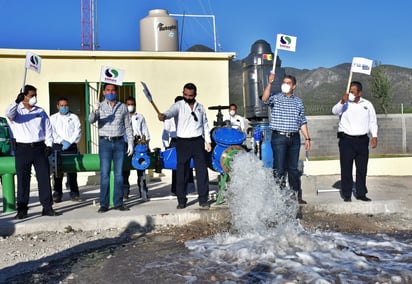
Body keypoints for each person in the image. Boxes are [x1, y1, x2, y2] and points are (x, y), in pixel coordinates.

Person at [5, 84, 61, 219]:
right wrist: (16, 101)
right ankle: (22, 209)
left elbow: (48, 130)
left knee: (43, 178)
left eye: (35, 95)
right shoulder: (17, 111)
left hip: (39, 148)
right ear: (24, 96)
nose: (34, 98)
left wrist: (49, 145)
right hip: (22, 149)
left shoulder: (40, 111)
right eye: (31, 96)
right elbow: (8, 113)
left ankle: (47, 207)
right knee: (23, 180)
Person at [158, 83, 212, 209]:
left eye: (190, 95)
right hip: (182, 142)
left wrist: (207, 141)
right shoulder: (178, 106)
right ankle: (181, 200)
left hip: (198, 141)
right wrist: (164, 116)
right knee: (181, 171)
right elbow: (170, 112)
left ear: (195, 94)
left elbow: (205, 125)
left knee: (202, 171)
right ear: (183, 93)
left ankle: (203, 199)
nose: (187, 97)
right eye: (185, 95)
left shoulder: (200, 107)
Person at [262, 74, 311, 204]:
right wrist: (270, 83)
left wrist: (307, 138)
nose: (285, 84)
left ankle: (296, 195)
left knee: (293, 169)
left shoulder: (298, 102)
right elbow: (265, 98)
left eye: (288, 83)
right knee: (279, 168)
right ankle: (279, 197)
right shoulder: (276, 98)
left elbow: (302, 121)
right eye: (284, 82)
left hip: (294, 138)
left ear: (294, 86)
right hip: (279, 138)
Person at [89, 83, 134, 213]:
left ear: (116, 92)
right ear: (103, 92)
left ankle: (118, 202)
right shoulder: (100, 106)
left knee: (119, 174)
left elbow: (127, 126)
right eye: (108, 90)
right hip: (105, 142)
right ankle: (104, 204)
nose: (110, 92)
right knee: (105, 174)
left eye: (113, 90)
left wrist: (130, 142)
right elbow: (91, 120)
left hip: (119, 142)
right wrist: (94, 110)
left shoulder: (123, 107)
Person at [332, 81, 378, 202]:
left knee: (362, 168)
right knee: (346, 168)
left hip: (362, 140)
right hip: (346, 140)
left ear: (360, 93)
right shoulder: (344, 103)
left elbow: (373, 121)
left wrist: (374, 136)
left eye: (353, 92)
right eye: (349, 91)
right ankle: (347, 194)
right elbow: (334, 111)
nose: (350, 94)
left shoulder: (367, 104)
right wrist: (342, 101)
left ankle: (361, 193)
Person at [50, 97, 82, 202]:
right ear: (58, 106)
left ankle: (74, 193)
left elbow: (78, 131)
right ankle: (57, 193)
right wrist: (61, 141)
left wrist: (70, 141)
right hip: (58, 146)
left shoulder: (74, 117)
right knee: (57, 172)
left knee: (72, 171)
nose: (64, 107)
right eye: (62, 105)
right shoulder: (53, 118)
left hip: (71, 147)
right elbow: (52, 132)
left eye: (66, 105)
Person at [161, 96, 195, 195]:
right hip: (175, 141)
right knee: (176, 166)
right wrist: (167, 146)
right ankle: (176, 189)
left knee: (188, 164)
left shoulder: (188, 113)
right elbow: (165, 132)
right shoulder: (170, 115)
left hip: (187, 140)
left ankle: (189, 188)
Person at [122, 96, 150, 201]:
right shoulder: (122, 117)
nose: (130, 106)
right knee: (125, 170)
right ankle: (125, 193)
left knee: (141, 169)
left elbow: (145, 130)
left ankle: (143, 191)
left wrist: (147, 143)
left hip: (139, 143)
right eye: (128, 104)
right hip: (126, 143)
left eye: (132, 104)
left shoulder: (140, 117)